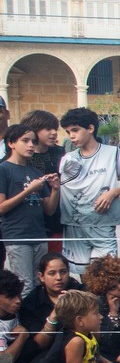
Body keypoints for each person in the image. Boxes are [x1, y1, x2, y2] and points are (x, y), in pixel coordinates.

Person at [58, 108, 120, 271]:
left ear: (90, 128)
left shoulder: (114, 153)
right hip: (75, 226)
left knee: (106, 274)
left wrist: (113, 193)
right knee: (83, 275)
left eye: (75, 130)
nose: (71, 136)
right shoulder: (68, 159)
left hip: (103, 224)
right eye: (68, 132)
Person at [0, 125, 59, 292]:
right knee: (25, 285)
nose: (31, 145)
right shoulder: (3, 169)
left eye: (33, 141)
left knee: (40, 284)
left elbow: (49, 210)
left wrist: (55, 189)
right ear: (11, 143)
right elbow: (1, 208)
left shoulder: (35, 172)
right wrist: (28, 190)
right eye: (25, 141)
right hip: (17, 236)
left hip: (39, 234)